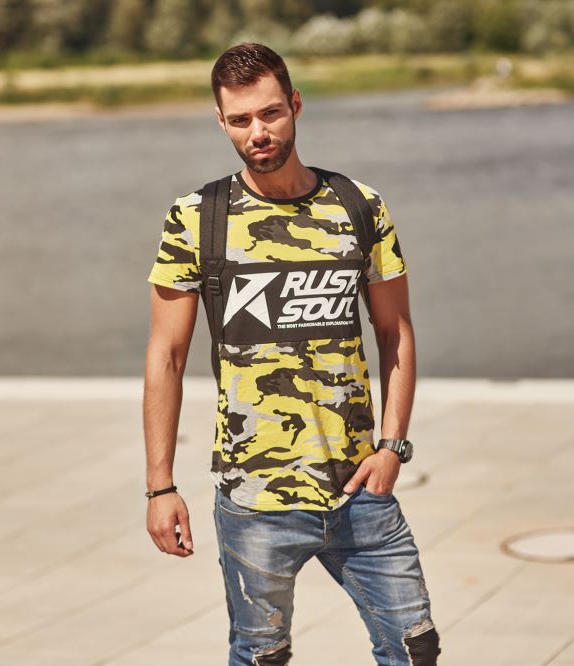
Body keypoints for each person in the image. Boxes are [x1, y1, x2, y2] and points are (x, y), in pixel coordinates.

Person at [143, 42, 440, 666]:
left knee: (415, 648)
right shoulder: (197, 218)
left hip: (359, 490)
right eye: (241, 119)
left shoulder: (360, 206)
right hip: (255, 501)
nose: (258, 132)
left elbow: (396, 332)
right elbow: (166, 355)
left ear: (296, 105)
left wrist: (392, 446)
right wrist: (159, 487)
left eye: (271, 113)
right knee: (262, 657)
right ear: (221, 121)